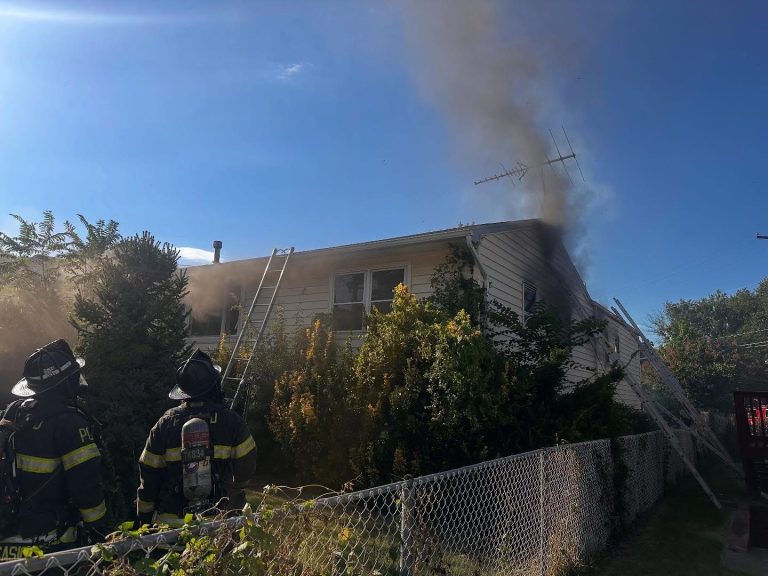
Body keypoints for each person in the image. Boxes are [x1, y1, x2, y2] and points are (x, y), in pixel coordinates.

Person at [0, 340, 108, 560]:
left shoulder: (14, 412)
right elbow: (85, 485)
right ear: (66, 382)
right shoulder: (69, 422)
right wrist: (100, 531)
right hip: (49, 545)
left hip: (6, 541)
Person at [136, 349, 257, 526]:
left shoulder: (166, 423)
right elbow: (246, 466)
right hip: (221, 522)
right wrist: (235, 488)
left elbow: (148, 473)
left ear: (183, 391)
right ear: (213, 385)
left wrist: (144, 517)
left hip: (174, 527)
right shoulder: (231, 421)